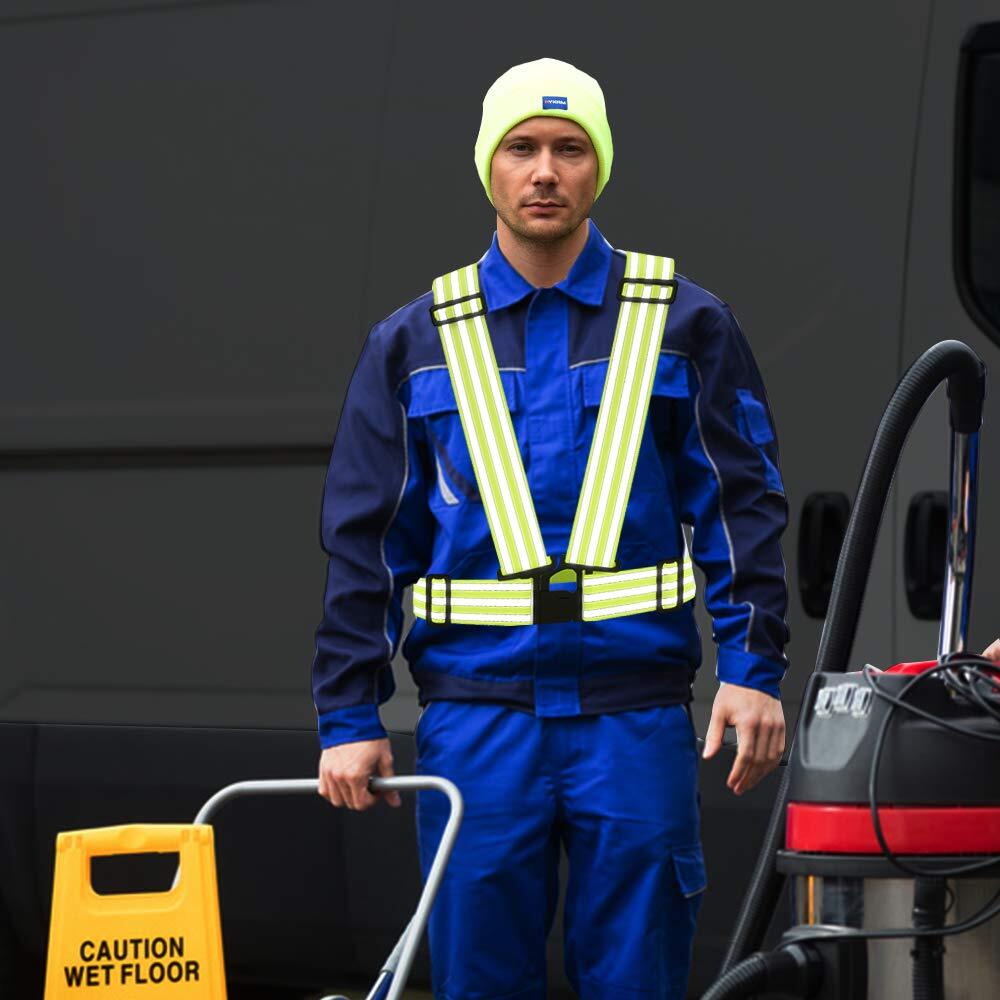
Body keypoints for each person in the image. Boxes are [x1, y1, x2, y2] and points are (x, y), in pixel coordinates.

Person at [312, 58, 789, 1000]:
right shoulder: (413, 341)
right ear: (486, 165)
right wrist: (348, 713)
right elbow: (367, 543)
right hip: (477, 724)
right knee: (479, 981)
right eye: (520, 147)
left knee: (639, 980)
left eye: (570, 149)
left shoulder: (685, 323)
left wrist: (753, 668)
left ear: (598, 167)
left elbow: (742, 508)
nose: (544, 171)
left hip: (634, 721)